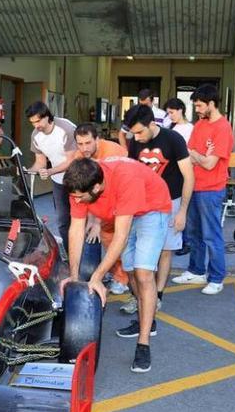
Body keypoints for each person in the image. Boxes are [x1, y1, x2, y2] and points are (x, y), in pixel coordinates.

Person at [63, 157, 171, 373]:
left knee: (143, 273)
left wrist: (97, 276)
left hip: (152, 208)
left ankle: (144, 342)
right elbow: (76, 230)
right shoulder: (80, 184)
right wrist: (73, 276)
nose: (77, 200)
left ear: (96, 187)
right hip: (123, 210)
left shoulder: (125, 179)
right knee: (130, 273)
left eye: (80, 197)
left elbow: (120, 237)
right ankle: (145, 317)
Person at [114, 105, 194, 337]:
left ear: (151, 124)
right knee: (139, 259)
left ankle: (156, 296)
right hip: (143, 205)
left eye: (139, 132)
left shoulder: (174, 139)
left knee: (165, 250)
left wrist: (183, 212)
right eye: (133, 134)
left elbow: (189, 176)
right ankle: (143, 299)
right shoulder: (135, 141)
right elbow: (131, 171)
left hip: (172, 202)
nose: (136, 138)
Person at [171, 84, 234, 295]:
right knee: (194, 233)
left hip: (211, 189)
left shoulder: (223, 128)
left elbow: (209, 164)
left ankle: (216, 278)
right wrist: (199, 155)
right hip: (193, 186)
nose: (196, 110)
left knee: (211, 235)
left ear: (211, 104)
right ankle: (196, 271)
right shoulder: (200, 125)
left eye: (199, 105)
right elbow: (189, 153)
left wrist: (197, 155)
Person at [71, 123, 129, 296]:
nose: (84, 148)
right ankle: (119, 276)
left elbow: (109, 187)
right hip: (101, 198)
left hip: (123, 195)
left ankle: (126, 278)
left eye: (88, 143)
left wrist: (96, 222)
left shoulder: (114, 151)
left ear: (98, 139)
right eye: (80, 144)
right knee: (106, 238)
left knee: (122, 238)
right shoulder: (79, 158)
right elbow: (84, 191)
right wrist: (89, 219)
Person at [25, 101, 77, 255]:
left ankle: (85, 256)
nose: (36, 125)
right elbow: (40, 163)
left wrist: (50, 171)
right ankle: (69, 254)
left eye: (38, 121)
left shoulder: (65, 128)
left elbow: (71, 160)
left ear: (47, 116)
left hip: (77, 178)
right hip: (58, 181)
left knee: (80, 219)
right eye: (32, 122)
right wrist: (26, 172)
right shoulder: (36, 135)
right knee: (62, 221)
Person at [164, 97, 195, 257]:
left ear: (180, 110)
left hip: (184, 168)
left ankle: (186, 240)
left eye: (172, 112)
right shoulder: (169, 127)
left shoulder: (190, 128)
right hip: (172, 171)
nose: (170, 115)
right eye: (168, 113)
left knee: (184, 206)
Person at [118, 88, 171, 158]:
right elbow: (121, 134)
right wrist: (126, 152)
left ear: (152, 101)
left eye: (146, 104)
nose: (143, 107)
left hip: (157, 153)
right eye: (141, 104)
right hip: (138, 152)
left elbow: (167, 136)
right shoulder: (133, 114)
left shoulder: (163, 115)